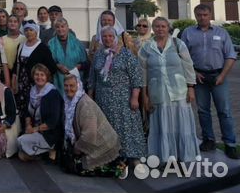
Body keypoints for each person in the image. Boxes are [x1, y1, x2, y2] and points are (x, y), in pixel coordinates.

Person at [181, 3, 238, 159]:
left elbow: (231, 56)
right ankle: (209, 140)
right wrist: (194, 73)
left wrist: (222, 76)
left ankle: (230, 144)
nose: (202, 18)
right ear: (195, 15)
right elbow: (182, 57)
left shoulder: (222, 33)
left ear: (210, 15)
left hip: (219, 76)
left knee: (224, 111)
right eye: (199, 15)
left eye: (205, 15)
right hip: (199, 77)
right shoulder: (188, 33)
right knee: (203, 111)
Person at [139, 16, 199, 163]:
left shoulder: (178, 44)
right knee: (162, 125)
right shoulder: (146, 47)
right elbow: (142, 72)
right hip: (157, 93)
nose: (160, 29)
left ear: (168, 28)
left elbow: (188, 66)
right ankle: (164, 158)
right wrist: (145, 96)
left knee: (181, 125)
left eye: (163, 26)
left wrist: (191, 87)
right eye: (157, 26)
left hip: (179, 92)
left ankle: (185, 158)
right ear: (153, 29)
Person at [88, 25, 145, 162]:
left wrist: (135, 98)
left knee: (127, 127)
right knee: (108, 128)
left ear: (116, 38)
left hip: (123, 98)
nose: (107, 39)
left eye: (110, 36)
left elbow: (136, 78)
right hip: (104, 98)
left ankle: (133, 157)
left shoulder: (126, 54)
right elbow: (92, 78)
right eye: (105, 36)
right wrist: (90, 97)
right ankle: (113, 157)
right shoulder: (99, 55)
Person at [61, 74, 127, 178]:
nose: (68, 89)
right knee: (66, 164)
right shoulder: (69, 101)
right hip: (89, 144)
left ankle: (118, 167)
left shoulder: (85, 105)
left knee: (77, 168)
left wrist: (76, 150)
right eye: (66, 85)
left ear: (78, 86)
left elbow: (89, 135)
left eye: (71, 86)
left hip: (102, 145)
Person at [17, 64, 64, 161]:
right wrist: (28, 125)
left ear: (47, 77)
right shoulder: (32, 91)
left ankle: (50, 149)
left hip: (48, 133)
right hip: (35, 130)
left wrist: (35, 129)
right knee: (18, 145)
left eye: (42, 75)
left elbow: (53, 121)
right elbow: (27, 112)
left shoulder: (53, 93)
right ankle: (43, 153)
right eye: (36, 74)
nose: (39, 77)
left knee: (20, 142)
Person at [12, 22, 57, 122]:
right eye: (26, 30)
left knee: (34, 108)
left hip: (35, 84)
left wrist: (42, 80)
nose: (28, 32)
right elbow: (16, 65)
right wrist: (14, 81)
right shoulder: (21, 46)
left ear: (36, 32)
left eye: (31, 30)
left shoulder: (42, 48)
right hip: (21, 85)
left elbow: (52, 67)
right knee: (21, 109)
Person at [48, 18, 88, 90]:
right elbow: (48, 60)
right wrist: (58, 66)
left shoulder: (77, 43)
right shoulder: (51, 43)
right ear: (55, 29)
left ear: (67, 27)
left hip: (75, 79)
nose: (60, 29)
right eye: (57, 27)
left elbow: (86, 63)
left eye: (62, 26)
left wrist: (79, 66)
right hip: (58, 80)